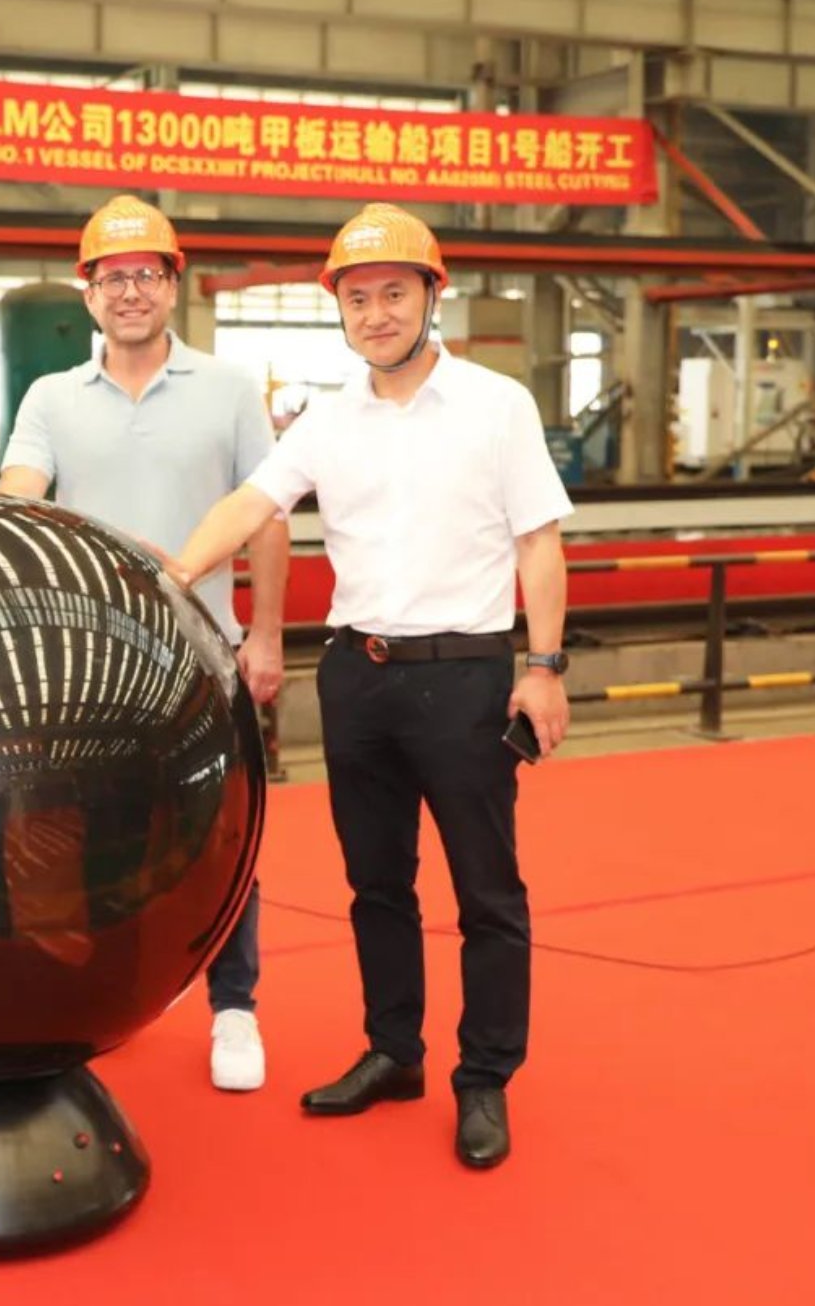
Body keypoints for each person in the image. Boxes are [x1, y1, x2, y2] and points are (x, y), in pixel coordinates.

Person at [167, 202, 572, 1169]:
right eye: (357, 298)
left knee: (486, 891)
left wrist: (544, 668)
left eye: (394, 293)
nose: (376, 313)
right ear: (339, 310)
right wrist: (172, 573)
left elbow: (539, 543)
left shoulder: (496, 405)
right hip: (359, 678)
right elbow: (252, 502)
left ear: (433, 296)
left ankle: (485, 1078)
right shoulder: (327, 419)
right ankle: (395, 1051)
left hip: (465, 677)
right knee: (375, 884)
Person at [0, 194, 289, 1093]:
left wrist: (266, 634)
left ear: (173, 285)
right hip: (93, 667)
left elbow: (269, 515)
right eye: (113, 277)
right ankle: (109, 994)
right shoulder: (51, 398)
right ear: (88, 294)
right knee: (94, 834)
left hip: (205, 653)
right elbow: (19, 497)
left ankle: (233, 1008)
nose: (130, 291)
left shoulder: (229, 389)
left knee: (222, 834)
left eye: (147, 275)